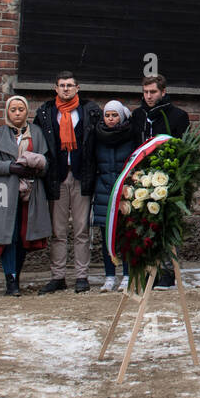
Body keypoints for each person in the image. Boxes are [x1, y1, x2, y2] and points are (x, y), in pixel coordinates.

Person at [34, 72, 100, 294]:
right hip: (56, 175)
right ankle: (58, 276)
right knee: (58, 230)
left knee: (81, 229)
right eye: (62, 85)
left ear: (77, 88)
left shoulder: (89, 110)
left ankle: (81, 275)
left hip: (82, 174)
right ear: (55, 88)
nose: (66, 89)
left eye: (70, 85)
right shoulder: (46, 112)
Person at [0, 96, 51, 297]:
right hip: (4, 190)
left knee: (23, 236)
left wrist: (35, 167)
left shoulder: (36, 133)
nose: (17, 113)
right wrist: (9, 167)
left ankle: (16, 274)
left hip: (30, 191)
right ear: (8, 112)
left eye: (21, 109)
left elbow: (46, 162)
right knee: (7, 235)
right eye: (13, 109)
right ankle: (10, 278)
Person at [131, 75, 189, 287]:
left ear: (163, 92)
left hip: (167, 179)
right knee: (145, 226)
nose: (148, 96)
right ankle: (147, 271)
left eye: (153, 92)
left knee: (166, 227)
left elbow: (183, 149)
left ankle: (166, 272)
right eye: (145, 92)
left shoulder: (178, 116)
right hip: (142, 180)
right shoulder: (137, 116)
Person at [91, 100, 136, 291]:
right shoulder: (97, 135)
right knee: (107, 236)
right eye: (107, 115)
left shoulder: (130, 135)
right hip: (104, 191)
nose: (110, 119)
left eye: (114, 115)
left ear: (121, 116)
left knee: (125, 236)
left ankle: (127, 274)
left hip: (124, 191)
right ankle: (109, 275)